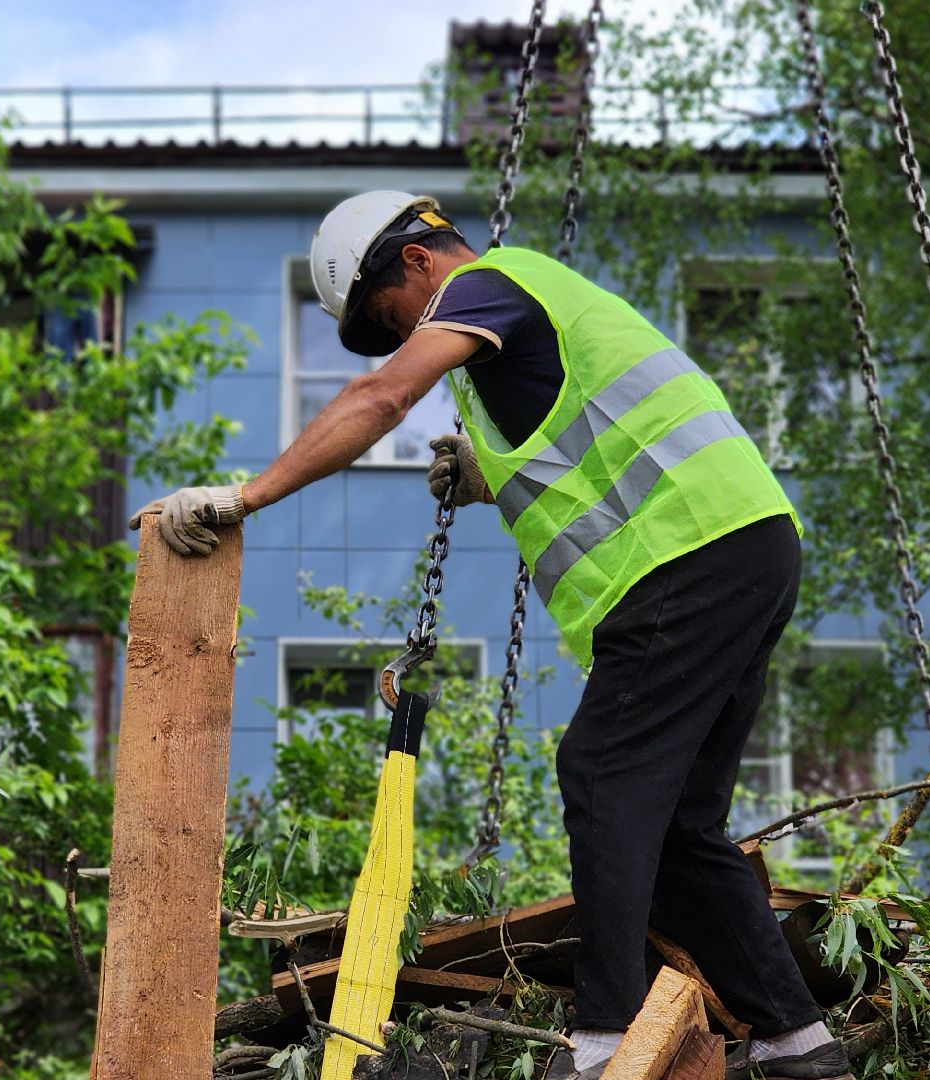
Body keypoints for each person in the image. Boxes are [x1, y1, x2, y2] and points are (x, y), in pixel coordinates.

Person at [129, 191, 852, 1080]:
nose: (399, 337)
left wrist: (245, 496)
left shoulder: (490, 284)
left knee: (601, 774)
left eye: (387, 315)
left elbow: (382, 397)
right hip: (740, 546)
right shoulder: (514, 328)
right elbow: (581, 437)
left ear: (417, 260)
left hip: (684, 555)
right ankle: (797, 1041)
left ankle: (605, 1041)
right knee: (677, 823)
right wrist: (490, 474)